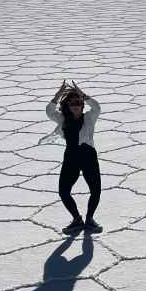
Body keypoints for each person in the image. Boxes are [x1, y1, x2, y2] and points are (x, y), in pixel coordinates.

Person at [43, 80, 103, 233]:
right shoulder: (63, 119)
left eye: (78, 103)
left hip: (88, 156)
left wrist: (83, 95)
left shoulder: (89, 117)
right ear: (68, 106)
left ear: (82, 105)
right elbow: (49, 111)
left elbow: (97, 107)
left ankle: (90, 219)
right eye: (72, 104)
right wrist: (58, 95)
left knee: (96, 190)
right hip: (71, 157)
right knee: (63, 191)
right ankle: (77, 219)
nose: (76, 106)